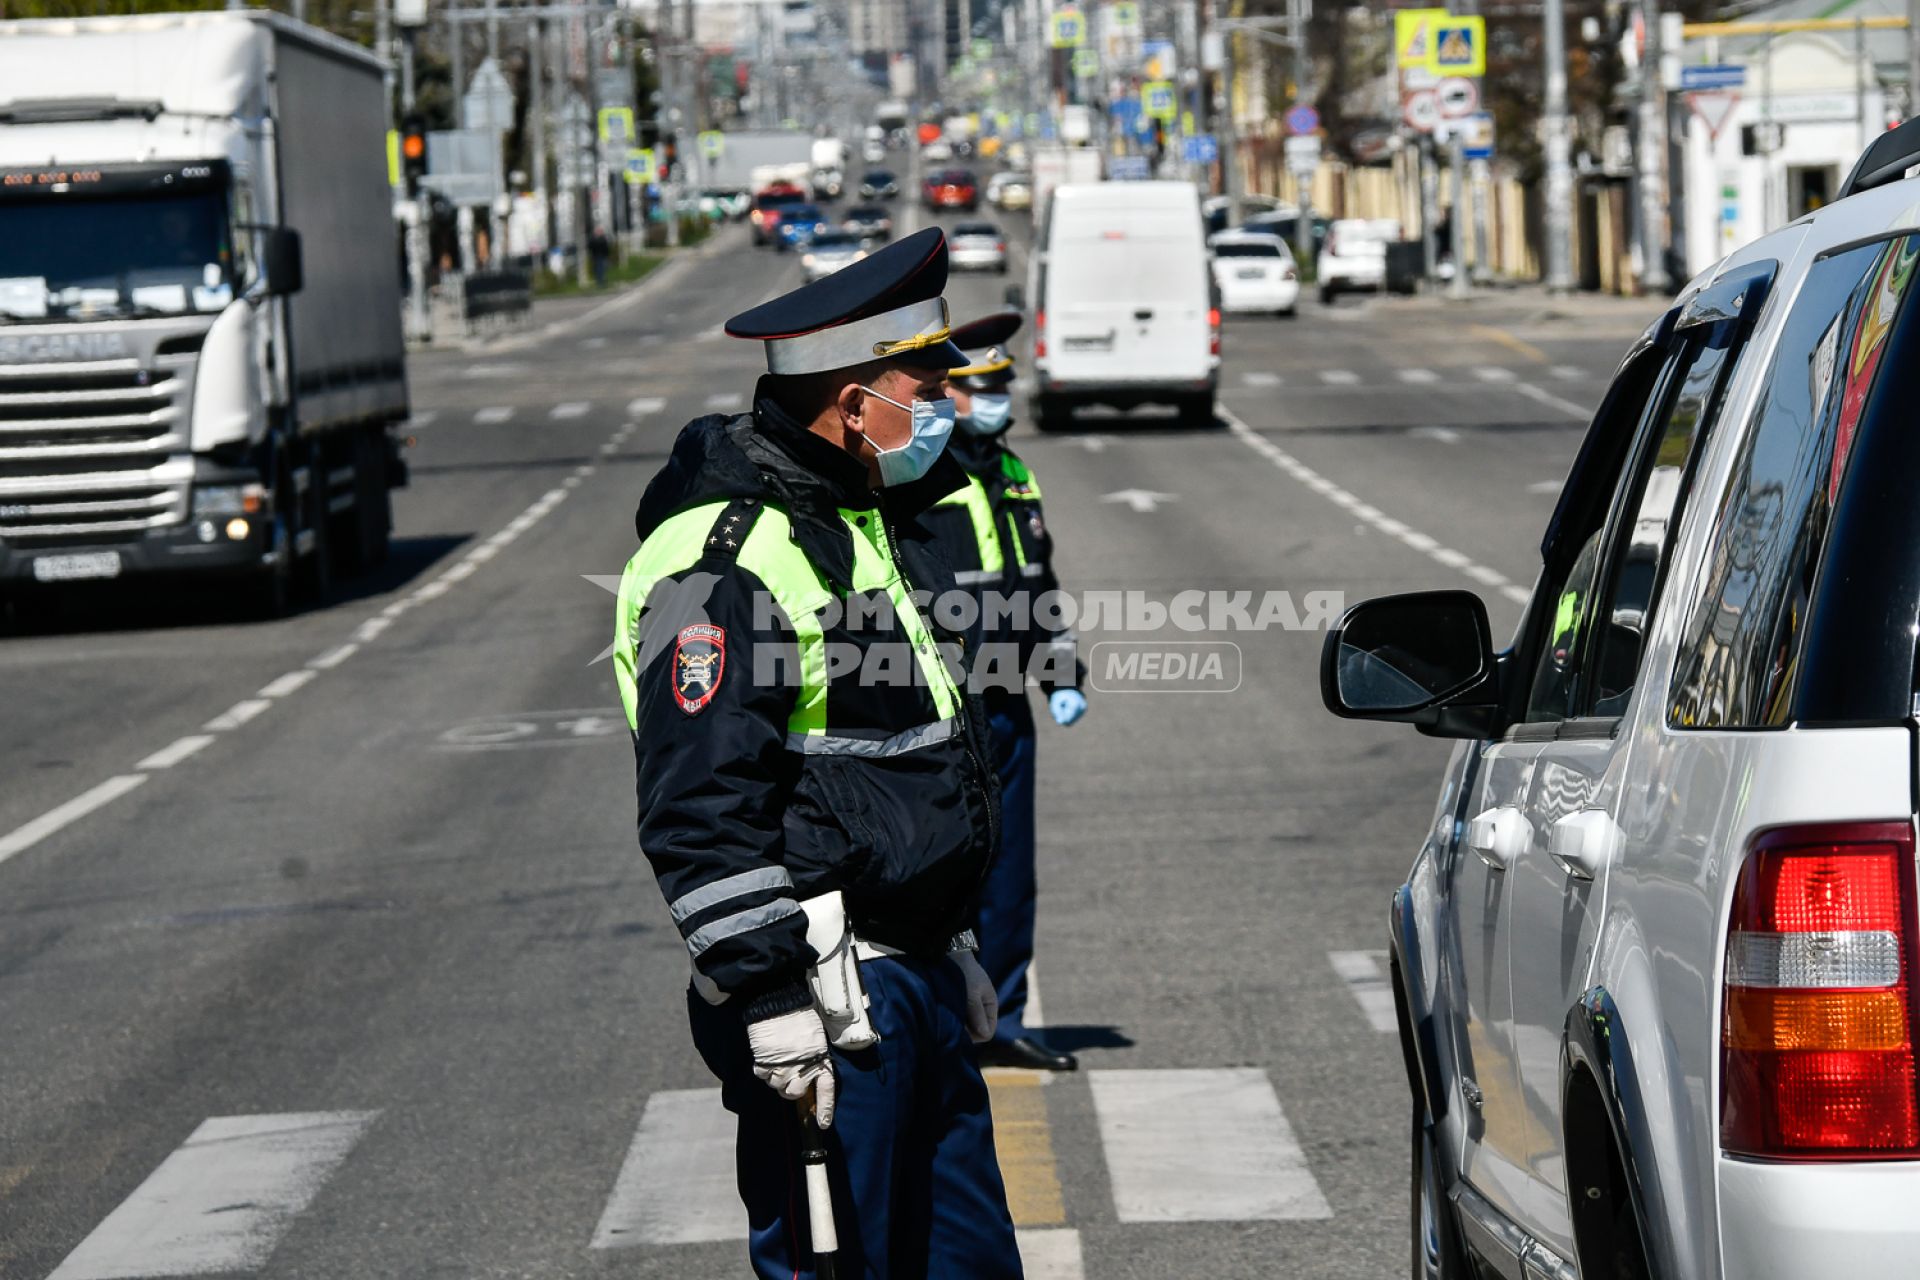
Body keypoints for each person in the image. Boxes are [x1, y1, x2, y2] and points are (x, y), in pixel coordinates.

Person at [612, 227, 1023, 1280]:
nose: (935, 405)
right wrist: (766, 997)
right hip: (830, 996)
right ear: (850, 403)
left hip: (913, 975)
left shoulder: (857, 516)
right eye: (918, 384)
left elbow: (895, 750)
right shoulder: (725, 558)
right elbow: (699, 803)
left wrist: (952, 940)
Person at [924, 311, 1086, 1073]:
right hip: (943, 709)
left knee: (1011, 873)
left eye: (1002, 385)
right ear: (948, 393)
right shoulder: (917, 475)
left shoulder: (1013, 471)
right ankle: (946, 1026)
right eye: (983, 386)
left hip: (1006, 703)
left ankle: (1007, 1020)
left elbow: (1038, 586)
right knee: (947, 871)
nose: (999, 397)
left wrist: (1060, 674)